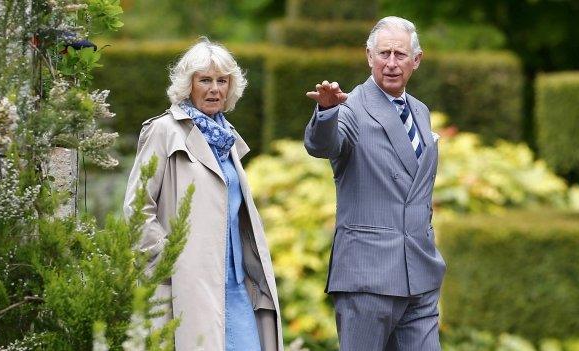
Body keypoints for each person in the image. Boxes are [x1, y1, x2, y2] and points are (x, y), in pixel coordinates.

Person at [124, 38, 282, 351]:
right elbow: (137, 206)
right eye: (205, 80)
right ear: (188, 85)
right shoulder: (165, 130)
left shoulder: (227, 138)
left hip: (237, 285)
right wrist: (168, 259)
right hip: (190, 284)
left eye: (222, 81)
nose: (214, 89)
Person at [304, 16, 446, 350]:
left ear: (416, 60)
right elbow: (323, 145)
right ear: (369, 57)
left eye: (400, 54)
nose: (392, 63)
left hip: (420, 276)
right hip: (368, 278)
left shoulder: (420, 112)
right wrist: (326, 112)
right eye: (384, 54)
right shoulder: (350, 107)